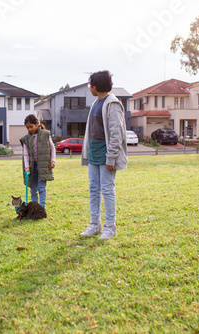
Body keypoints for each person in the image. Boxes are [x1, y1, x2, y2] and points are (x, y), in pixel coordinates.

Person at [80, 70, 127, 240]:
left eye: (90, 84)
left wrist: (111, 157)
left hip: (106, 155)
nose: (89, 87)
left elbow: (117, 133)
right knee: (93, 189)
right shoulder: (95, 104)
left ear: (96, 86)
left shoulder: (112, 104)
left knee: (107, 190)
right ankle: (95, 224)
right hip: (93, 154)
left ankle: (110, 227)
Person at [19, 114, 56, 208]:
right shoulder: (26, 139)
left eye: (31, 127)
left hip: (43, 166)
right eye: (27, 128)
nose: (29, 129)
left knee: (41, 188)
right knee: (33, 188)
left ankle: (42, 208)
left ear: (37, 124)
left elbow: (52, 147)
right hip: (32, 167)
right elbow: (25, 154)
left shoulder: (45, 134)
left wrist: (53, 160)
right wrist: (27, 167)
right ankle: (34, 208)